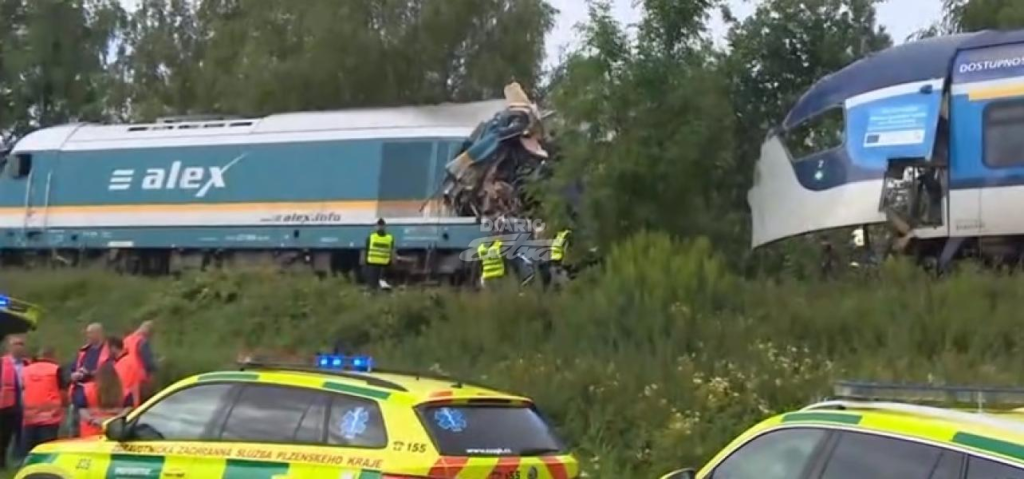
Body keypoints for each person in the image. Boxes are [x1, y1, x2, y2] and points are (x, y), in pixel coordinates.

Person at [67, 323, 109, 438]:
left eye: (90, 333)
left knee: (93, 425)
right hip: (78, 393)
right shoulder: (83, 351)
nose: (88, 336)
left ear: (99, 333)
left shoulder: (107, 351)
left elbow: (110, 372)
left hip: (96, 395)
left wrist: (89, 373)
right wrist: (74, 375)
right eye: (87, 333)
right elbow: (72, 369)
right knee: (73, 427)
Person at [21, 347, 66, 453]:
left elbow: (22, 390)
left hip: (29, 417)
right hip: (50, 418)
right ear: (52, 356)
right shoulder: (56, 369)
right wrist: (63, 406)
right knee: (46, 450)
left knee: (29, 450)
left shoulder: (26, 370)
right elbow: (63, 392)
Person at [0, 335, 29, 468]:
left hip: (26, 405)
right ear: (8, 347)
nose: (19, 347)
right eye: (16, 344)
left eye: (21, 344)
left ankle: (20, 462)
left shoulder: (28, 363)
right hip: (6, 405)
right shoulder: (2, 362)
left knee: (23, 436)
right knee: (4, 435)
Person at [78, 362, 127, 437]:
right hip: (114, 431)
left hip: (90, 432)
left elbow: (81, 410)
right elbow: (128, 409)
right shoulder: (124, 391)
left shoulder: (86, 389)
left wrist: (92, 420)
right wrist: (114, 419)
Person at [122, 320, 157, 401]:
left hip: (125, 376)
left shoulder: (126, 340)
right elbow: (149, 363)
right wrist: (157, 364)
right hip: (139, 379)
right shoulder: (142, 342)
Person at [108, 337, 141, 408]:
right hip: (130, 402)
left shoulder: (124, 363)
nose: (107, 352)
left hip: (126, 403)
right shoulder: (127, 360)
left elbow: (121, 384)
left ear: (113, 348)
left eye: (108, 349)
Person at [364, 218, 394, 290]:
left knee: (372, 283)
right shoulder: (390, 238)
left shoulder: (371, 237)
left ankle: (373, 294)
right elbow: (391, 251)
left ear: (376, 227)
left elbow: (367, 250)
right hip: (384, 264)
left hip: (372, 263)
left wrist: (366, 262)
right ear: (385, 227)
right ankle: (380, 295)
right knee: (382, 282)